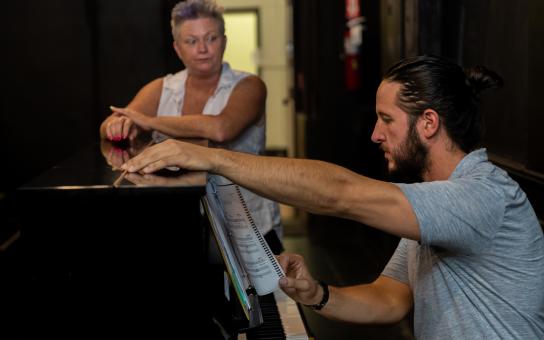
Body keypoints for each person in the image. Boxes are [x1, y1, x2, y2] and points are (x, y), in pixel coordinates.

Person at [120, 55, 544, 339]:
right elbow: (391, 298)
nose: (376, 134)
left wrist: (213, 160)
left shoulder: (482, 196)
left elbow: (341, 194)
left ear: (429, 123)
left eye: (386, 120)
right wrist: (316, 293)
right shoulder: (435, 202)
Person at [99, 0, 282, 248]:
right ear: (177, 48)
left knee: (261, 287)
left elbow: (221, 128)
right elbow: (114, 121)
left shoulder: (250, 85)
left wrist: (151, 122)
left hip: (248, 223)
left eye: (211, 38)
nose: (203, 49)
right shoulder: (161, 87)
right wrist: (115, 126)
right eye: (191, 41)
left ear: (224, 41)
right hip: (180, 220)